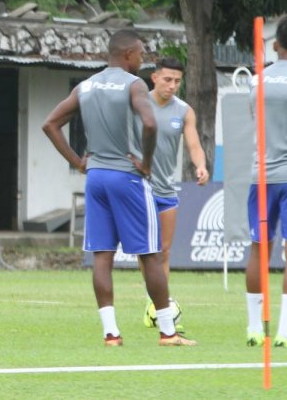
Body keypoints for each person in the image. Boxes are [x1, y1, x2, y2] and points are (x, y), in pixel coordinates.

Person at [42, 29, 194, 346]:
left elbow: (50, 124)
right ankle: (168, 332)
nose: (142, 59)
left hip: (95, 177)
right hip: (127, 177)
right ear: (127, 54)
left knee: (102, 256)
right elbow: (150, 123)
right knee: (151, 254)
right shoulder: (133, 84)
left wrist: (78, 161)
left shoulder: (86, 85)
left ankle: (111, 334)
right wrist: (148, 163)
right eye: (140, 54)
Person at [138, 58, 208, 328]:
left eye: (177, 81)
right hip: (139, 187)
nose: (172, 85)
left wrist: (200, 165)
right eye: (167, 79)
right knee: (147, 251)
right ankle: (153, 301)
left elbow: (194, 145)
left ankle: (154, 305)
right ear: (154, 77)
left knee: (164, 250)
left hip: (167, 189)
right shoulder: (139, 103)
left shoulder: (184, 111)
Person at [245, 15, 287, 348]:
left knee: (257, 252)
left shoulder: (256, 81)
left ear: (276, 45)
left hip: (261, 177)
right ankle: (284, 332)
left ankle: (254, 329)